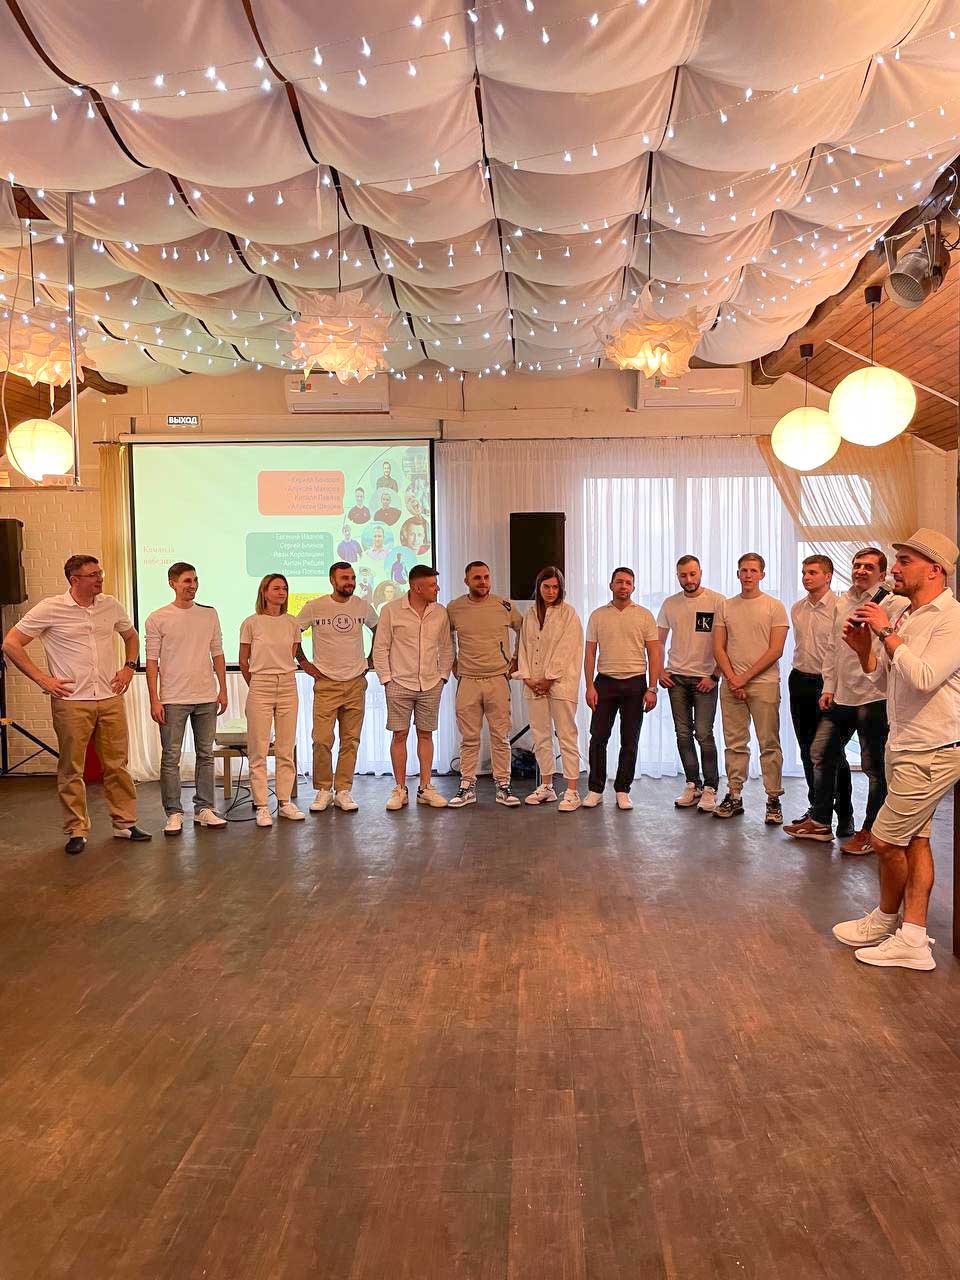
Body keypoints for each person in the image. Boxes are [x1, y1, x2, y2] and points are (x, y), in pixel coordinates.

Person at [832, 529, 960, 972]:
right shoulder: (907, 612)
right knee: (916, 839)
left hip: (933, 747)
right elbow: (887, 678)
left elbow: (923, 678)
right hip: (905, 740)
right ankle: (909, 934)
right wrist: (864, 650)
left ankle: (892, 923)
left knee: (885, 839)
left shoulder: (952, 618)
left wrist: (885, 632)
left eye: (905, 561)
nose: (896, 569)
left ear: (935, 570)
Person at [2, 554, 150, 854]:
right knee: (72, 767)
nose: (100, 579)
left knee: (117, 765)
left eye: (100, 573)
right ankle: (76, 829)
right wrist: (42, 679)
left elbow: (131, 636)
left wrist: (129, 667)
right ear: (74, 580)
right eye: (93, 575)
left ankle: (124, 823)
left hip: (109, 697)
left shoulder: (110, 605)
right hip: (71, 701)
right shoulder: (51, 608)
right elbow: (11, 643)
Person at [787, 547, 907, 853]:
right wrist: (829, 686)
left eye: (868, 567)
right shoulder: (843, 602)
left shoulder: (895, 604)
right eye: (857, 565)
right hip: (842, 695)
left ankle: (870, 832)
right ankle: (821, 822)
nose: (861, 571)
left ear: (882, 573)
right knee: (821, 752)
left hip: (875, 696)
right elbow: (833, 648)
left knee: (874, 768)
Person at [145, 561, 228, 836]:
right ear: (173, 584)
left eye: (195, 580)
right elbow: (152, 662)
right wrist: (155, 699)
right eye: (187, 581)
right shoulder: (157, 618)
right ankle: (174, 812)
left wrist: (223, 689)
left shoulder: (209, 614)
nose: (193, 586)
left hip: (205, 695)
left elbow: (217, 652)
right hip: (173, 698)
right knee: (171, 757)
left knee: (206, 754)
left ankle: (205, 809)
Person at [712, 552, 789, 824]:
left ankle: (773, 799)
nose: (748, 575)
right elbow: (718, 647)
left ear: (762, 575)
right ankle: (734, 794)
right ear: (737, 574)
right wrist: (733, 679)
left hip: (764, 684)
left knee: (769, 743)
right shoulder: (725, 606)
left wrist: (743, 678)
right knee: (735, 743)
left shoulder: (774, 606)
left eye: (753, 571)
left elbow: (776, 650)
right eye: (744, 570)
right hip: (731, 684)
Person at [782, 555, 853, 844]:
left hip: (830, 685)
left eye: (812, 572)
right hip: (800, 679)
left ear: (828, 576)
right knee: (806, 750)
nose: (806, 577)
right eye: (804, 572)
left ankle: (845, 814)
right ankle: (817, 811)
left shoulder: (840, 607)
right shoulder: (797, 608)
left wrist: (834, 686)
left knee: (832, 752)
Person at [296, 562, 378, 814]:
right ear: (332, 580)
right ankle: (323, 790)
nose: (350, 582)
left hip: (355, 682)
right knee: (321, 739)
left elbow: (379, 630)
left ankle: (343, 790)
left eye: (352, 578)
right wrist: (304, 663)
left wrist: (371, 660)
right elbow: (293, 633)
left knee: (350, 740)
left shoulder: (363, 606)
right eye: (344, 578)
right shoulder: (314, 606)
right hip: (326, 682)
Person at [373, 564, 453, 811]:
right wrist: (386, 680)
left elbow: (446, 647)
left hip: (430, 683)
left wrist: (443, 677)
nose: (437, 589)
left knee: (426, 735)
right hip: (399, 682)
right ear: (417, 588)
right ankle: (400, 789)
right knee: (399, 735)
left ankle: (425, 788)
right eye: (432, 585)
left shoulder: (440, 612)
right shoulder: (390, 610)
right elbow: (381, 646)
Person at [583, 567, 661, 811]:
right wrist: (589, 686)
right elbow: (589, 653)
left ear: (633, 587)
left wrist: (653, 688)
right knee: (598, 737)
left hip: (635, 683)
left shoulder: (645, 616)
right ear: (611, 585)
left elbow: (654, 653)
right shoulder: (598, 615)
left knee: (630, 738)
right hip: (604, 683)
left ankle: (622, 790)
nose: (623, 586)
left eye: (628, 582)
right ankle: (595, 789)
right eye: (619, 582)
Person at [447, 560, 523, 809]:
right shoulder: (455, 608)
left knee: (500, 736)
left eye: (486, 577)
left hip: (497, 679)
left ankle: (503, 785)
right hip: (468, 680)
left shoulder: (504, 606)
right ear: (466, 581)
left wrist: (516, 659)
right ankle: (467, 786)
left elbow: (524, 629)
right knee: (469, 738)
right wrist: (452, 662)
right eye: (477, 578)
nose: (482, 582)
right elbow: (444, 638)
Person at [657, 555, 724, 813]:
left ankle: (711, 787)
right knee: (682, 734)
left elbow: (727, 642)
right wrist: (659, 671)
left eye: (693, 574)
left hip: (706, 679)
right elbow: (658, 641)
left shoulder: (717, 601)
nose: (689, 579)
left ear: (700, 573)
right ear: (678, 576)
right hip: (676, 678)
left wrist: (715, 675)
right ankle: (693, 784)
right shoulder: (670, 604)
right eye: (683, 575)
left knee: (704, 733)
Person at [239, 574, 305, 827]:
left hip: (287, 684)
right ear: (264, 592)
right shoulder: (251, 622)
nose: (282, 592)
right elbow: (243, 660)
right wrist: (256, 684)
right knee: (258, 749)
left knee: (285, 748)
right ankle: (262, 806)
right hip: (260, 684)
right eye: (276, 588)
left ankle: (285, 802)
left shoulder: (292, 622)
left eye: (285, 588)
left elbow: (290, 655)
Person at [517, 566, 584, 812]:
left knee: (566, 735)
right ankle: (547, 786)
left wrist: (548, 678)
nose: (551, 591)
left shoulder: (569, 614)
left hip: (560, 684)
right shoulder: (530, 614)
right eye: (546, 586)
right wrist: (527, 678)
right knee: (540, 736)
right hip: (534, 684)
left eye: (555, 587)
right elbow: (523, 647)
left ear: (561, 589)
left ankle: (572, 790)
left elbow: (566, 650)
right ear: (539, 587)